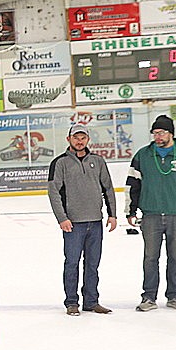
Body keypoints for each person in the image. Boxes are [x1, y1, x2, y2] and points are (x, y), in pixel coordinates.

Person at [126, 114, 176, 312]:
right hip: (151, 215)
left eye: (161, 133)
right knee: (150, 258)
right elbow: (132, 185)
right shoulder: (142, 155)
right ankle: (148, 297)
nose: (157, 136)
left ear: (171, 133)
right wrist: (130, 210)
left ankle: (173, 296)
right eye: (154, 133)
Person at [47, 124, 117, 316]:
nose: (80, 141)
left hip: (95, 222)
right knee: (72, 263)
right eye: (76, 137)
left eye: (83, 138)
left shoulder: (98, 161)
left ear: (87, 140)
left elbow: (108, 188)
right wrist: (62, 218)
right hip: (73, 224)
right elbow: (53, 192)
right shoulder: (59, 163)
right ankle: (71, 302)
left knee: (93, 264)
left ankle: (91, 301)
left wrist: (112, 214)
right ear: (69, 139)